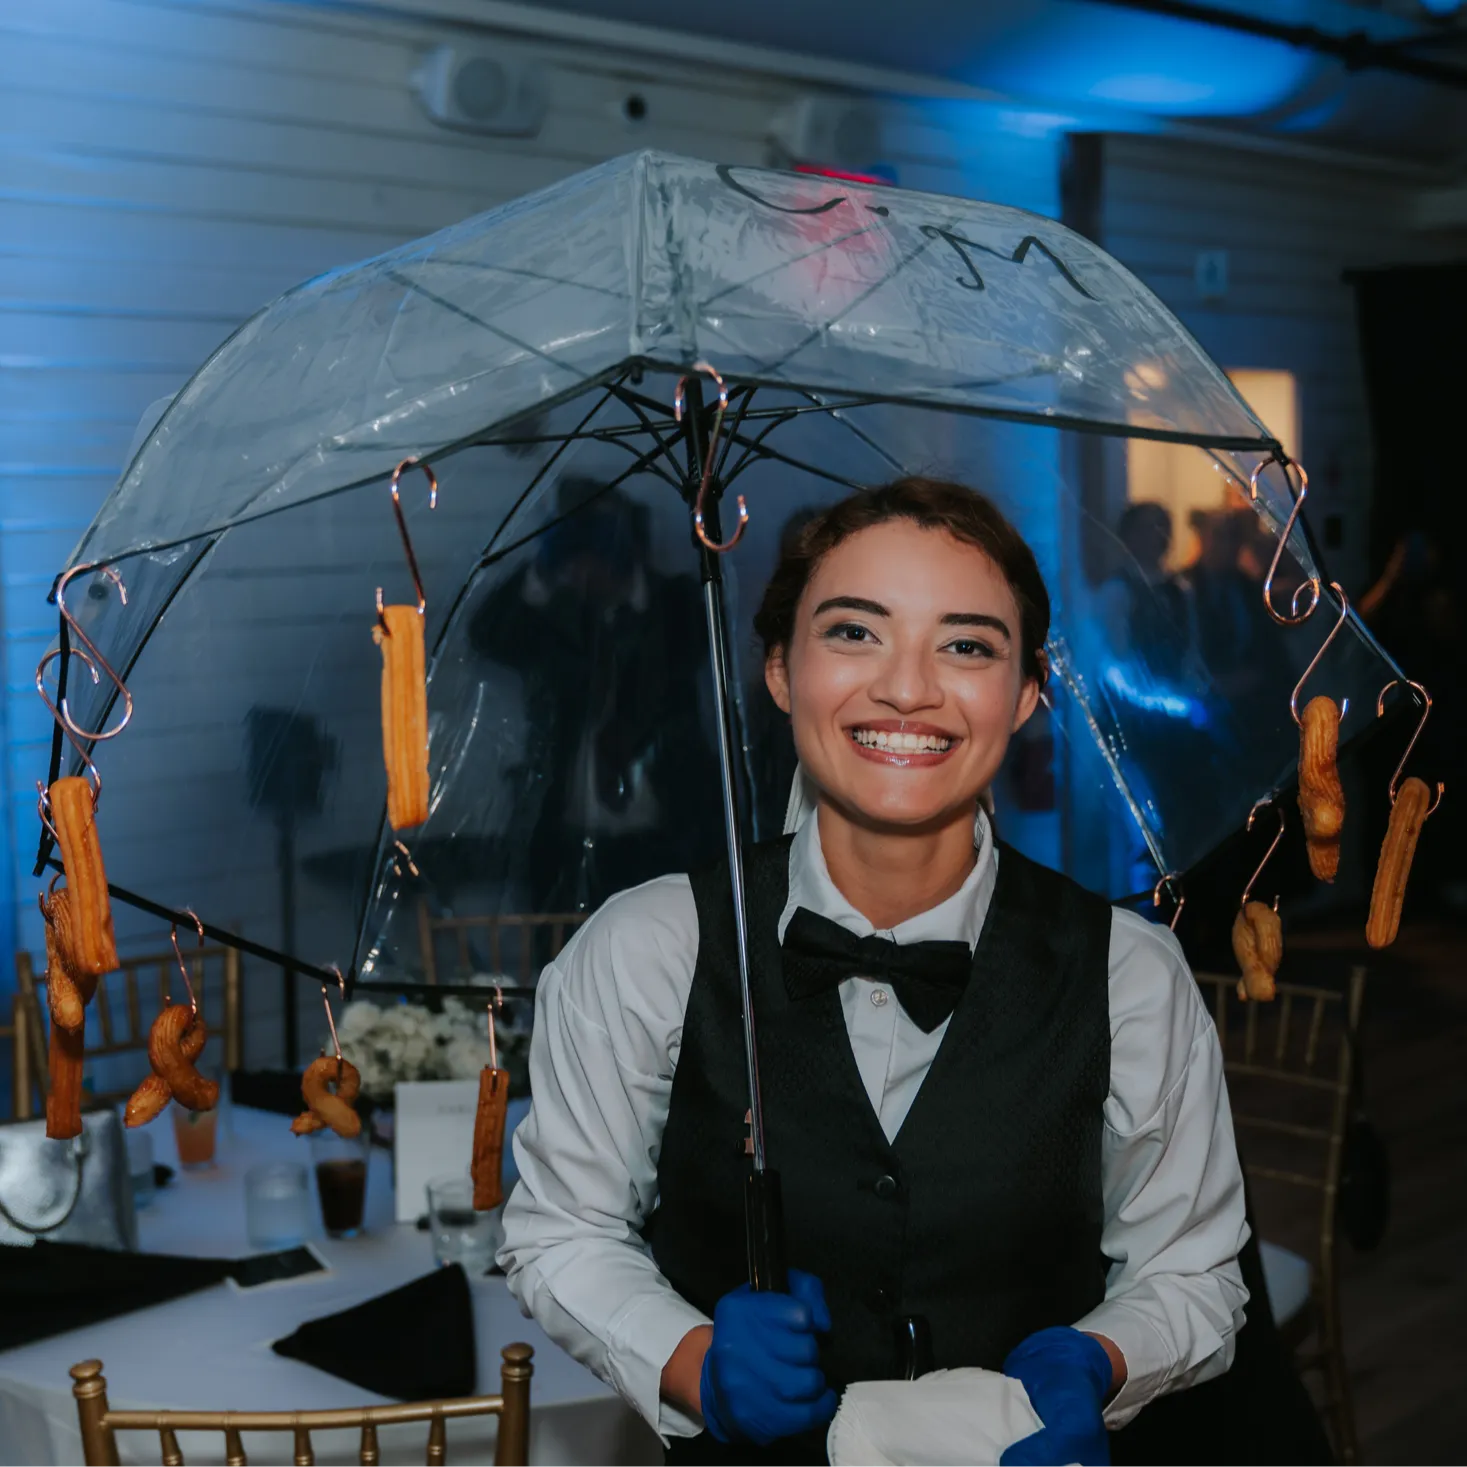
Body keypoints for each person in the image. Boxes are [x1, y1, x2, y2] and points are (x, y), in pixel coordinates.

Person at [499, 478, 1249, 1467]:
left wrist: (1104, 1358)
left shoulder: (1130, 973)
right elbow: (563, 1231)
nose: (907, 688)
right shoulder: (648, 947)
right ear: (780, 669)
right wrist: (690, 1358)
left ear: (1027, 692)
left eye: (967, 646)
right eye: (854, 632)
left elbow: (1192, 1274)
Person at [466, 477, 723, 913]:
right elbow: (486, 636)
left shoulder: (675, 605)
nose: (586, 567)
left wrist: (627, 570)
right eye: (574, 548)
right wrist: (542, 571)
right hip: (565, 849)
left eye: (596, 544)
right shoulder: (555, 621)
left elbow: (689, 646)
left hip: (669, 845)